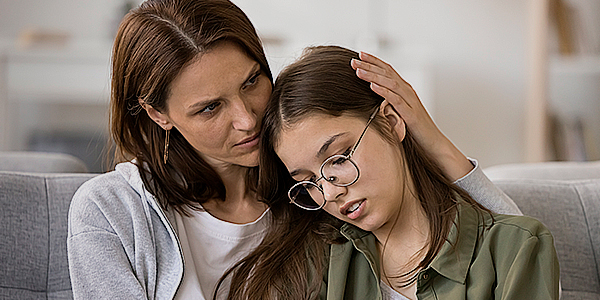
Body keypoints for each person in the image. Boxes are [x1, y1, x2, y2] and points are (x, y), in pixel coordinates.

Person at [67, 0, 521, 299]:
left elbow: (513, 245)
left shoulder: (318, 186)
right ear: (157, 113)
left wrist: (428, 135)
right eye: (209, 108)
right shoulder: (111, 212)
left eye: (251, 82)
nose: (247, 119)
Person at [252, 45, 559, 300]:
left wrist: (434, 141)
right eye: (307, 182)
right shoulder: (319, 262)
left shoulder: (515, 249)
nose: (330, 192)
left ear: (391, 121)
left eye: (340, 158)